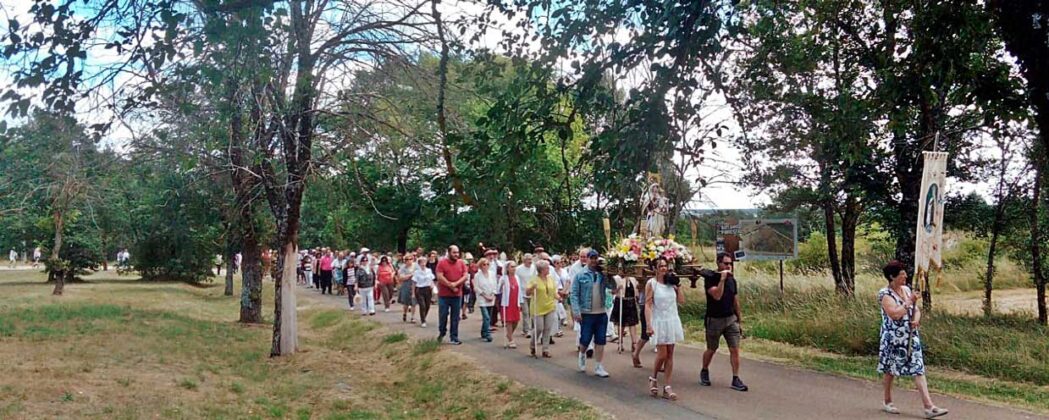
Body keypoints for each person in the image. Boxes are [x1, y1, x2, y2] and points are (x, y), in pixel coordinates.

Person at [878, 261, 949, 418]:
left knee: (918, 368)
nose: (905, 277)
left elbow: (915, 310)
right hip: (893, 338)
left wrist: (916, 319)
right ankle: (887, 401)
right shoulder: (885, 294)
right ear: (892, 277)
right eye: (901, 274)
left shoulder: (906, 289)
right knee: (890, 370)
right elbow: (894, 314)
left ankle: (929, 406)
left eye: (905, 274)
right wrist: (909, 301)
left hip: (910, 336)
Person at [699, 252, 748, 391]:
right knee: (712, 348)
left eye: (730, 264)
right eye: (726, 263)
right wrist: (722, 280)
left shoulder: (732, 280)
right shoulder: (710, 279)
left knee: (735, 349)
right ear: (718, 263)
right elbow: (717, 295)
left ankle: (736, 378)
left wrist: (739, 320)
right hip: (714, 319)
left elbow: (735, 300)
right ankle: (704, 370)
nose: (728, 266)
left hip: (730, 319)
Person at [645, 258, 685, 400]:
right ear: (655, 269)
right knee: (662, 354)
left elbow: (681, 301)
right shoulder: (652, 284)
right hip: (659, 321)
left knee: (670, 355)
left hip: (671, 320)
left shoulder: (671, 283)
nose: (663, 268)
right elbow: (648, 304)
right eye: (660, 266)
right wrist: (649, 324)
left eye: (665, 266)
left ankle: (667, 386)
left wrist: (678, 285)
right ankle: (653, 378)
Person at [570, 249, 615, 378]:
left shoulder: (602, 274)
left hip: (601, 312)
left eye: (596, 258)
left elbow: (612, 287)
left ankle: (598, 366)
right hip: (587, 312)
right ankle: (582, 354)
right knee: (585, 339)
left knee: (600, 340)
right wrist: (576, 311)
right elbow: (574, 294)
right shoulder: (580, 275)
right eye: (592, 258)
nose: (594, 261)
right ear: (587, 259)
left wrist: (609, 274)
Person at [436, 245, 468, 345]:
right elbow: (439, 276)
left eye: (457, 252)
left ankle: (454, 337)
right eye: (454, 252)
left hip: (457, 295)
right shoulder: (442, 263)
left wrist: (456, 284)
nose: (456, 254)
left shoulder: (461, 263)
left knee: (455, 317)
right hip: (444, 295)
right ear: (449, 253)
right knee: (443, 315)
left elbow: (465, 276)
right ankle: (442, 331)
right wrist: (450, 285)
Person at [526, 259, 559, 358]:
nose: (549, 269)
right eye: (547, 268)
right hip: (538, 308)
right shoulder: (534, 279)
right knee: (539, 328)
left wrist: (559, 297)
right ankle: (532, 344)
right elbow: (527, 292)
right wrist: (532, 288)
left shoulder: (550, 279)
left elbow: (554, 292)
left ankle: (545, 349)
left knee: (547, 328)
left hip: (550, 306)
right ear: (541, 270)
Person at [611, 275, 641, 353]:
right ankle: (620, 343)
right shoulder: (616, 278)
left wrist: (638, 291)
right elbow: (612, 292)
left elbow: (637, 290)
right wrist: (618, 288)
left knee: (632, 323)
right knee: (621, 323)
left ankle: (634, 343)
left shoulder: (633, 278)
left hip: (631, 302)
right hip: (621, 302)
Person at [499, 261, 523, 349]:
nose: (514, 268)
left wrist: (521, 301)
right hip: (507, 302)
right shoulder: (503, 278)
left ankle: (509, 334)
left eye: (514, 266)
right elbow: (498, 290)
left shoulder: (517, 277)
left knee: (516, 320)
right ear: (507, 269)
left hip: (515, 301)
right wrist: (501, 285)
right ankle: (510, 340)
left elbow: (519, 290)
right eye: (512, 267)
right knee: (509, 321)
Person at [474, 258, 498, 342]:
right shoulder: (477, 275)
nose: (486, 266)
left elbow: (495, 285)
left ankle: (483, 332)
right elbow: (476, 288)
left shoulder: (492, 274)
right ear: (480, 266)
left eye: (488, 264)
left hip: (491, 298)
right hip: (482, 299)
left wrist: (492, 295)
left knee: (488, 317)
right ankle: (488, 334)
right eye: (484, 264)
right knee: (486, 317)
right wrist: (485, 296)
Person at [413, 255, 436, 327]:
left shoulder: (429, 270)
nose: (423, 264)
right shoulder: (416, 272)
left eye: (424, 262)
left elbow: (431, 279)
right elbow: (414, 283)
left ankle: (423, 316)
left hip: (428, 289)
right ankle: (423, 320)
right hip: (420, 289)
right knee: (422, 305)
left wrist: (432, 286)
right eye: (421, 262)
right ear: (419, 264)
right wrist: (413, 293)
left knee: (427, 305)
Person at [517, 253, 536, 337]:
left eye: (531, 259)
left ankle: (533, 329)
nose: (530, 261)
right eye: (528, 259)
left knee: (532, 312)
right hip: (522, 293)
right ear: (524, 260)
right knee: (525, 312)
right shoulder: (519, 269)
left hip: (532, 293)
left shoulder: (534, 268)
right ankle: (527, 330)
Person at [398, 253, 417, 323]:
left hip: (414, 285)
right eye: (407, 259)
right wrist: (410, 275)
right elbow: (401, 277)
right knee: (406, 303)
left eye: (410, 259)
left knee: (413, 302)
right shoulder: (403, 268)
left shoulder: (416, 266)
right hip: (406, 285)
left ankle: (412, 317)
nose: (409, 261)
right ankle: (405, 313)